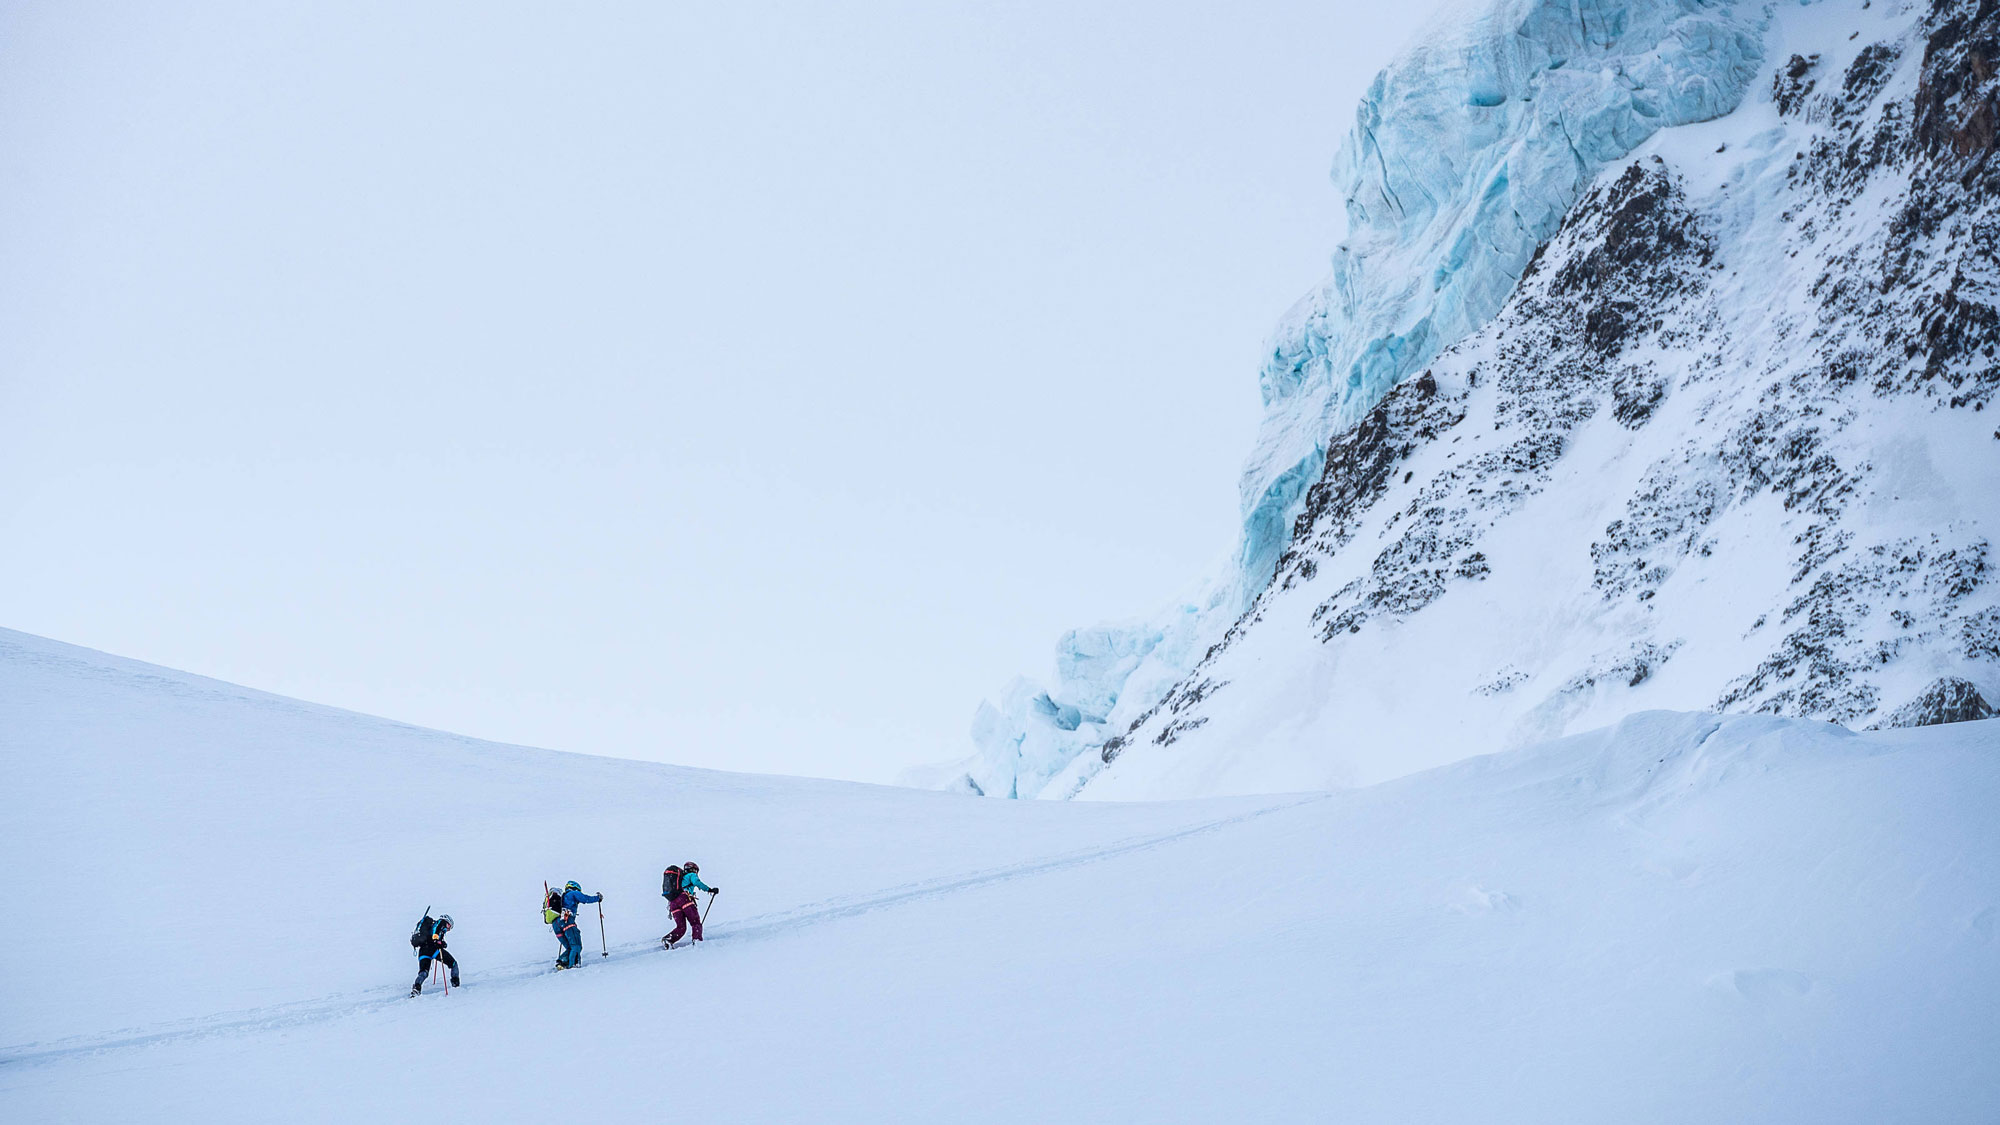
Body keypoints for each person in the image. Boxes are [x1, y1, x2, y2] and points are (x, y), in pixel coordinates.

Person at [661, 861, 719, 948]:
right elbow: (697, 882)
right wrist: (709, 890)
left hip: (673, 903)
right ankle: (697, 941)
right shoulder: (691, 875)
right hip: (684, 899)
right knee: (695, 922)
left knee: (681, 927)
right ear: (693, 869)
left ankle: (668, 939)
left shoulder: (678, 880)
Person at [550, 880, 602, 969]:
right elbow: (585, 898)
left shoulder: (563, 897)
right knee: (576, 945)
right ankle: (573, 965)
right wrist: (598, 898)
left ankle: (562, 962)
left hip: (556, 924)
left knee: (570, 947)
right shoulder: (572, 893)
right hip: (567, 921)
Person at [410, 913, 459, 996]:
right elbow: (435, 934)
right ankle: (456, 985)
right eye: (449, 926)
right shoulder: (441, 922)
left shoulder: (431, 926)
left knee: (424, 972)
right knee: (453, 964)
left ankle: (416, 988)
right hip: (433, 949)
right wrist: (438, 941)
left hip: (423, 950)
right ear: (447, 922)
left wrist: (441, 942)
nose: (448, 929)